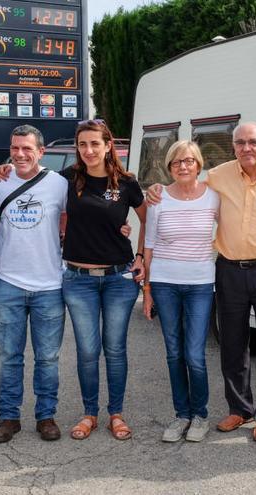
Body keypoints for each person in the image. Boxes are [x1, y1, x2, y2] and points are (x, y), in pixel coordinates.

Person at [148, 122, 256, 441]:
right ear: (234, 147)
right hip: (228, 269)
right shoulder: (218, 177)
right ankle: (240, 409)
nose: (246, 148)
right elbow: (186, 185)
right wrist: (157, 188)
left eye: (253, 142)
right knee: (232, 343)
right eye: (240, 142)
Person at [61, 120, 146, 441]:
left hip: (118, 280)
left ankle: (116, 414)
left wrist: (140, 257)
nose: (89, 150)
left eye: (95, 144)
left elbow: (148, 219)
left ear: (108, 145)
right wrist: (3, 170)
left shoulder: (126, 183)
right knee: (86, 351)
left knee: (114, 349)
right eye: (82, 145)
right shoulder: (67, 178)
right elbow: (34, 184)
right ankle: (89, 414)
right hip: (77, 280)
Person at [0, 125, 68, 443]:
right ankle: (9, 417)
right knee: (10, 356)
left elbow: (88, 216)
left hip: (49, 284)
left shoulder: (58, 184)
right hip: (7, 283)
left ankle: (45, 416)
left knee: (47, 358)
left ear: (41, 151)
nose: (20, 154)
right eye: (15, 148)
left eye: (27, 149)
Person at [141, 140, 219, 443]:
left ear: (198, 165)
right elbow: (149, 245)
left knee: (194, 354)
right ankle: (181, 415)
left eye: (188, 161)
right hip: (164, 282)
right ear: (169, 167)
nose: (183, 167)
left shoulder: (214, 198)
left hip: (200, 283)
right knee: (174, 353)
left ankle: (200, 415)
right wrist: (147, 290)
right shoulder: (158, 198)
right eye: (176, 163)